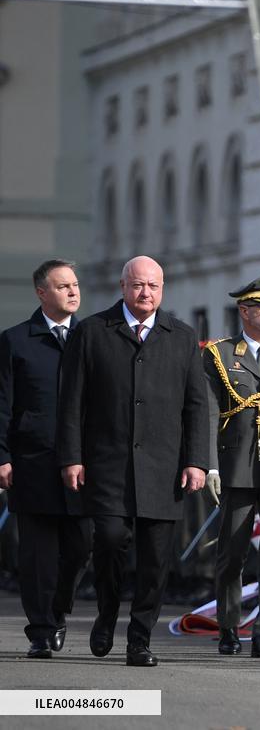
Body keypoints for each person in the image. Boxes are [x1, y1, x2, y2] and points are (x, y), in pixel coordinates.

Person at [58, 255, 209, 668]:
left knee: (156, 560)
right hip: (107, 464)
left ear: (163, 290)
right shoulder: (92, 332)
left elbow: (196, 405)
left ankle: (139, 639)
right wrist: (71, 457)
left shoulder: (181, 336)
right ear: (123, 287)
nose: (146, 293)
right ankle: (106, 613)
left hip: (164, 467)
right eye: (138, 285)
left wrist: (197, 460)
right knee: (109, 541)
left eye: (153, 286)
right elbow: (71, 402)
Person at [0, 259, 91, 659]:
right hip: (32, 460)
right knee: (37, 554)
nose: (72, 291)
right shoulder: (16, 340)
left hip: (84, 463)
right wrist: (2, 456)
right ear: (41, 293)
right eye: (62, 286)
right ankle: (40, 629)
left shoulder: (90, 338)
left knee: (82, 545)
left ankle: (57, 609)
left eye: (75, 285)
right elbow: (2, 404)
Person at [204, 275, 260, 658]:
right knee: (232, 554)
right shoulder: (220, 354)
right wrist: (209, 466)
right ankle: (228, 625)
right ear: (244, 310)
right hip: (236, 466)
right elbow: (209, 413)